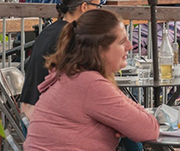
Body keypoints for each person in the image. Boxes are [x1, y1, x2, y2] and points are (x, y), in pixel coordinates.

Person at [24, 9, 159, 151]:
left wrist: (127, 124)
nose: (130, 46)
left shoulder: (71, 75)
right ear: (100, 50)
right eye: (121, 41)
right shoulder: (90, 84)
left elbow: (140, 124)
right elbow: (149, 129)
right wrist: (126, 125)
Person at [20, 0, 101, 120]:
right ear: (84, 7)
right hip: (46, 118)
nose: (99, 11)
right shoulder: (71, 36)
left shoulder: (51, 29)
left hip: (30, 111)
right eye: (98, 6)